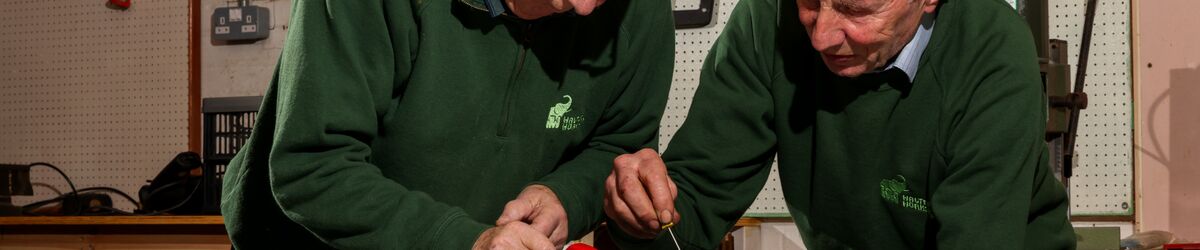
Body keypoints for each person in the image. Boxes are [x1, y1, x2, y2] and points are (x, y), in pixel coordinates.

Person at [601, 0, 1077, 248]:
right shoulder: (768, 21)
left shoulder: (990, 52)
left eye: (855, 8)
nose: (822, 34)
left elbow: (978, 240)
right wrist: (638, 212)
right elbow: (698, 200)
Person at [218, 0, 674, 248]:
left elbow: (616, 147)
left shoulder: (639, 9)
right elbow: (313, 168)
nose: (587, 9)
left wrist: (566, 195)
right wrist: (468, 241)